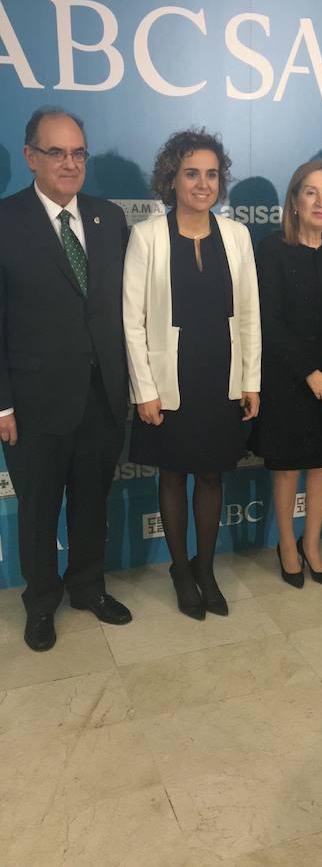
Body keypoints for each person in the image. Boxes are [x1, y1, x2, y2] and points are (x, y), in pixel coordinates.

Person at [0, 107, 132, 651]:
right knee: (37, 510)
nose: (69, 162)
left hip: (102, 397)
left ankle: (88, 587)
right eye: (56, 152)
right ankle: (40, 603)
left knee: (91, 502)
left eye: (78, 152)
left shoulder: (109, 217)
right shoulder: (5, 221)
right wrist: (1, 404)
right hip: (33, 403)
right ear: (30, 156)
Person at [123, 128, 261, 620]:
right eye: (191, 173)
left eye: (211, 174)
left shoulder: (238, 236)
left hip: (221, 378)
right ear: (171, 178)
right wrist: (145, 390)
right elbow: (131, 321)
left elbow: (249, 315)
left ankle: (206, 568)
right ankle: (180, 569)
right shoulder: (147, 236)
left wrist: (251, 381)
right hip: (168, 382)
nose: (202, 184)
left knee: (210, 475)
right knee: (172, 472)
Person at [253, 159, 322, 588]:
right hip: (287, 380)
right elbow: (269, 320)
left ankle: (312, 545)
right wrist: (309, 374)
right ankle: (286, 545)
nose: (320, 201)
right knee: (287, 469)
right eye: (311, 192)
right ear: (295, 201)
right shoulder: (272, 249)